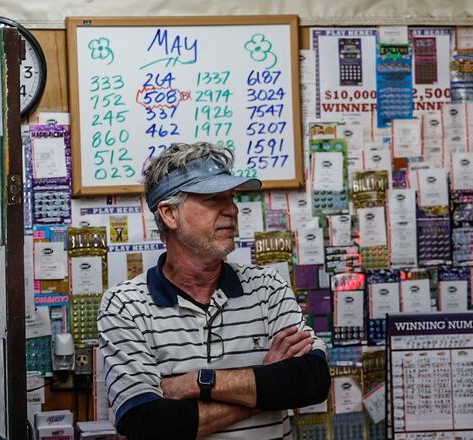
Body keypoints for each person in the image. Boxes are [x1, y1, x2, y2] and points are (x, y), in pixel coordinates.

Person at [98, 142, 330, 439]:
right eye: (213, 199)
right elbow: (146, 423)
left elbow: (312, 380)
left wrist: (198, 382)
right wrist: (265, 385)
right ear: (169, 215)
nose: (232, 209)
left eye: (231, 197)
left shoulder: (268, 287)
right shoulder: (125, 306)